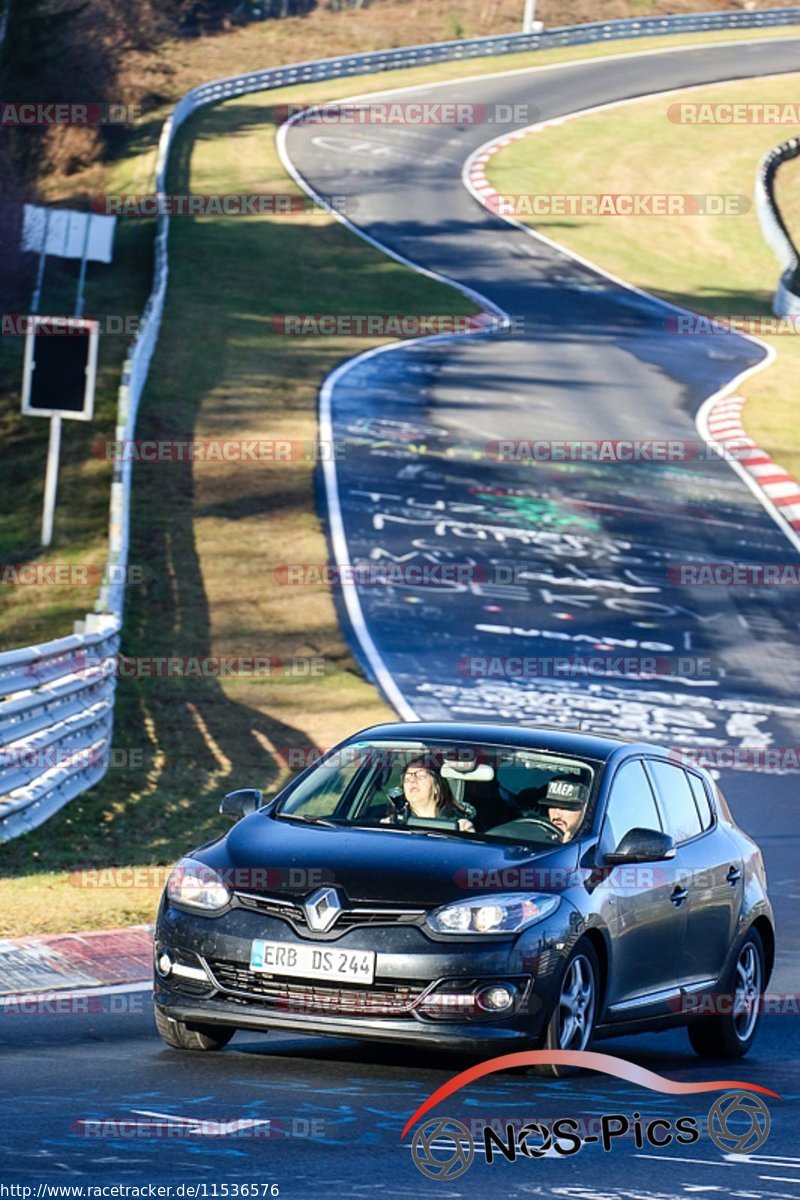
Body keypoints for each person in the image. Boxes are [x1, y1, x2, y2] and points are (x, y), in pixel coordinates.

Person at [384, 760, 475, 832]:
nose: (412, 780)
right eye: (407, 778)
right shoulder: (394, 822)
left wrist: (468, 838)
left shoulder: (459, 824)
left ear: (437, 787)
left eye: (420, 775)